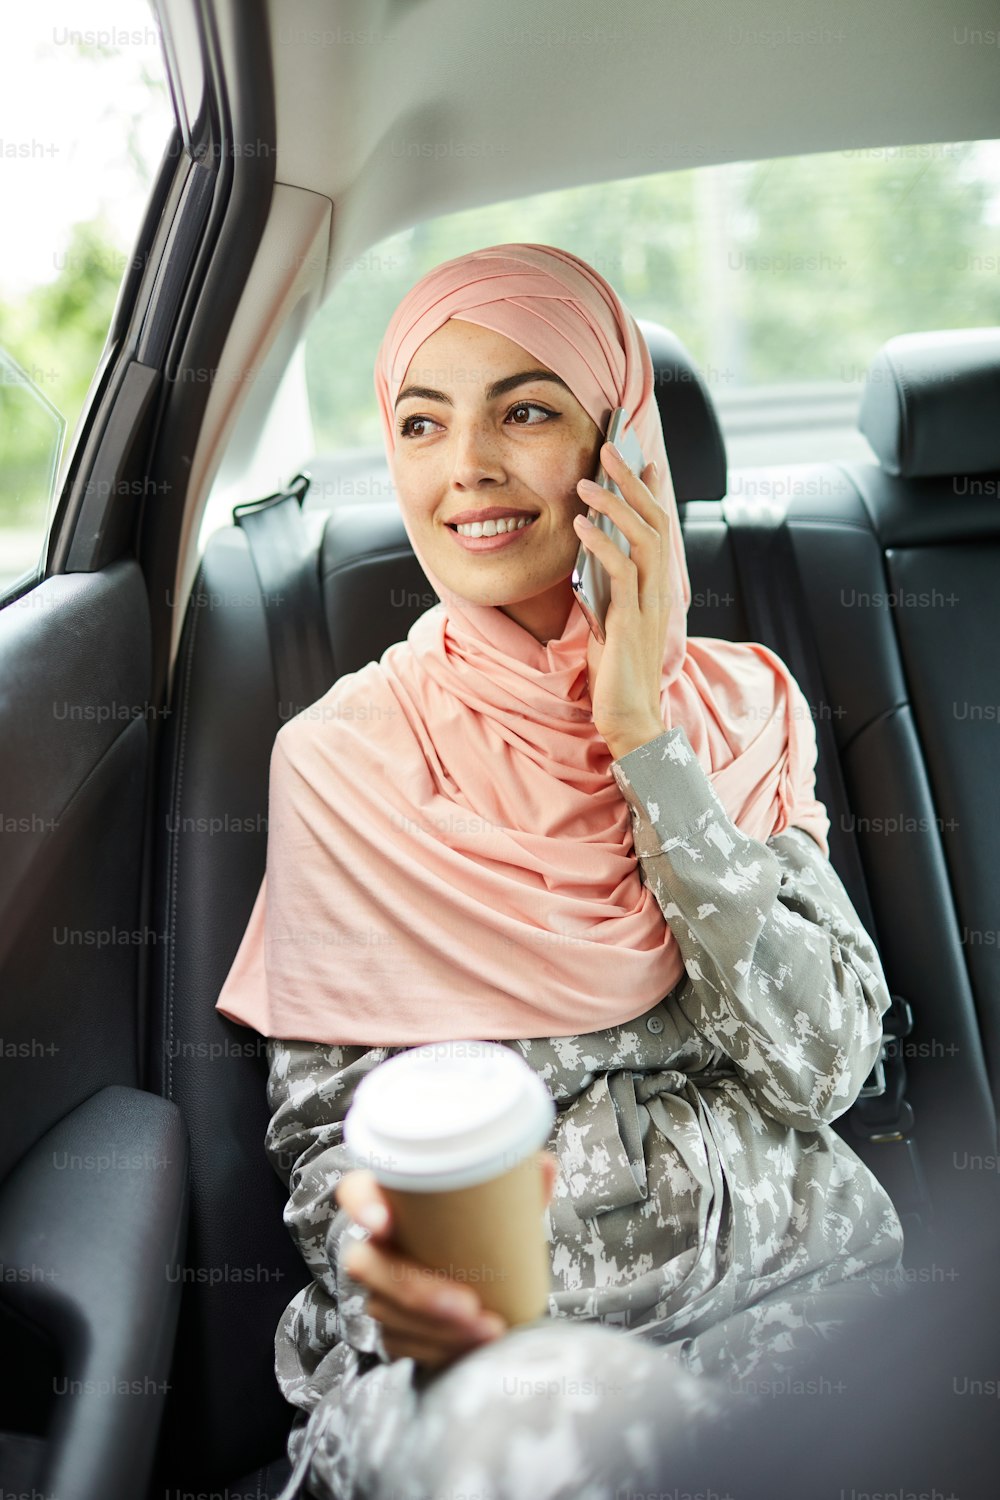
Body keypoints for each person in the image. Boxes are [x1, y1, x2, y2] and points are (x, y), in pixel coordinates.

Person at [214, 243, 905, 1500]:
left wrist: (648, 742)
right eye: (422, 423)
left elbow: (817, 1065)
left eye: (524, 410)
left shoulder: (743, 706)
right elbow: (339, 1182)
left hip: (809, 1319)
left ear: (621, 450)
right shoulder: (341, 758)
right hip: (511, 1366)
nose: (465, 467)